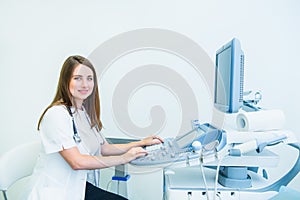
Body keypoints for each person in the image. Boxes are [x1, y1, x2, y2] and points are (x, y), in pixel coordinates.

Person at [23, 55, 163, 200]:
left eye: (89, 78)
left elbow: (104, 148)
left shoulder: (83, 112)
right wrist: (123, 158)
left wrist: (141, 143)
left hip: (78, 186)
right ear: (66, 81)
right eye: (77, 78)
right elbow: (77, 162)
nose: (85, 85)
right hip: (59, 191)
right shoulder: (56, 115)